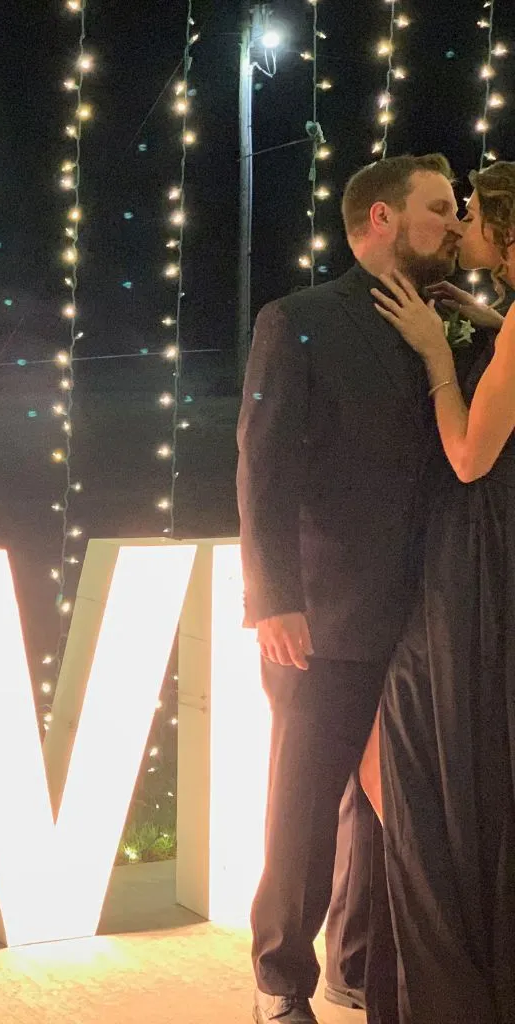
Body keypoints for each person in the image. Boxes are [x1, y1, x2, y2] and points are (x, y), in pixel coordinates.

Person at [237, 153, 463, 1024]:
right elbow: (262, 464)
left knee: (387, 808)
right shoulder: (297, 320)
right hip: (322, 618)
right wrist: (274, 596)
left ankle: (359, 961)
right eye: (437, 209)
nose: (452, 223)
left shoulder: (441, 323)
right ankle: (278, 984)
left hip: (423, 620)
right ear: (380, 218)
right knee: (303, 804)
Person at [360, 161, 515, 1024]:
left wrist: (433, 356)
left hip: (481, 553)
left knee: (433, 728)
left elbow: (468, 454)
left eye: (472, 219)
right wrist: (479, 317)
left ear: (505, 231)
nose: (459, 231)